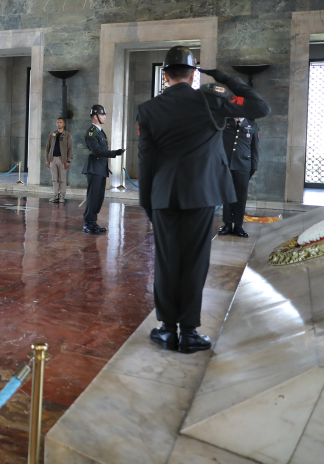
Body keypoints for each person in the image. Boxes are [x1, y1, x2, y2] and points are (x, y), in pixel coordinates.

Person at [137, 46, 270, 354]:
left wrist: (147, 203)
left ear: (165, 75)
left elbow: (146, 161)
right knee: (195, 261)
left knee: (166, 261)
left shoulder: (148, 109)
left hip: (163, 195)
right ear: (193, 74)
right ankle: (189, 333)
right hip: (201, 193)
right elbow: (260, 107)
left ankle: (166, 330)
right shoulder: (211, 99)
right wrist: (225, 78)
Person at [82, 105, 125, 234]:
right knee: (93, 197)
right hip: (94, 168)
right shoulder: (91, 132)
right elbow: (97, 151)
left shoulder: (100, 131)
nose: (105, 117)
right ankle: (88, 223)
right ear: (95, 117)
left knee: (99, 197)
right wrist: (114, 153)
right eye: (102, 115)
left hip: (100, 168)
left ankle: (93, 222)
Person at [218, 117, 260, 238]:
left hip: (243, 166)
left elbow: (254, 149)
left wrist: (253, 167)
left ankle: (238, 225)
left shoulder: (252, 126)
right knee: (227, 195)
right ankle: (227, 224)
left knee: (241, 197)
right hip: (226, 165)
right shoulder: (225, 123)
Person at [46, 117, 73, 203]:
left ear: (64, 124)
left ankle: (62, 196)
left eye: (61, 122)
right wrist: (47, 160)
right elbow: (48, 147)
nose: (59, 124)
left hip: (62, 159)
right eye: (57, 122)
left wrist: (68, 161)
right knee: (54, 179)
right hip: (52, 159)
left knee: (62, 179)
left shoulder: (67, 135)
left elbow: (70, 148)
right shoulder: (52, 134)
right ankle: (55, 195)